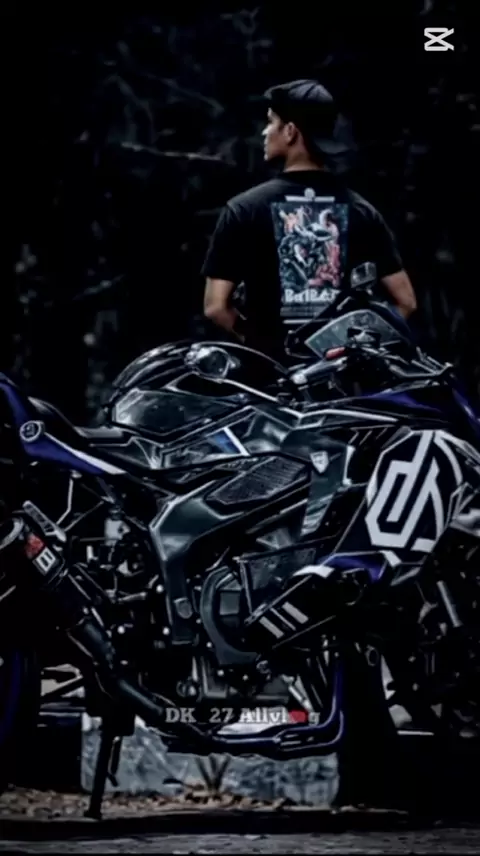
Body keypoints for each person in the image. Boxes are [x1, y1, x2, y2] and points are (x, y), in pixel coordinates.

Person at [202, 79, 417, 360]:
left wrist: (262, 345)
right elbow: (405, 302)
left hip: (270, 377)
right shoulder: (361, 210)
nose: (265, 132)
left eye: (271, 122)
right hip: (340, 378)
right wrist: (353, 350)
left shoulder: (244, 209)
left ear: (290, 131)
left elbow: (216, 306)